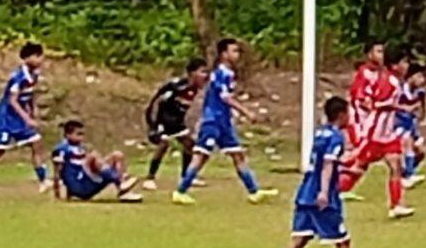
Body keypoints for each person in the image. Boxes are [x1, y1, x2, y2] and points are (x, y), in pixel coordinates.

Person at [271, 96, 384, 248]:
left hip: (305, 193)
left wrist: (344, 166)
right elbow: (327, 165)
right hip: (321, 198)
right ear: (341, 115)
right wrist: (324, 191)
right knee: (342, 241)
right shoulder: (336, 137)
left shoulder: (320, 133)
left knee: (300, 239)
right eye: (348, 113)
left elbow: (325, 162)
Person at [172, 38, 277, 205]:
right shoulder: (221, 73)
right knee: (200, 157)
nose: (237, 55)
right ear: (224, 54)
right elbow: (225, 97)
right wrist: (246, 112)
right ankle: (180, 191)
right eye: (233, 51)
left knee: (238, 155)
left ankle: (254, 192)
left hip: (224, 122)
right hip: (212, 121)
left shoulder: (228, 73)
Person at [340, 46, 412, 219]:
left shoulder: (392, 80)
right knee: (358, 166)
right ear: (395, 65)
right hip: (375, 132)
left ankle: (396, 206)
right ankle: (329, 190)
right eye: (404, 62)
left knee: (395, 166)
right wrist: (400, 107)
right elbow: (377, 103)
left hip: (387, 134)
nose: (407, 66)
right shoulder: (390, 82)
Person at [0, 42, 48, 195]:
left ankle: (43, 180)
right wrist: (26, 118)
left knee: (36, 143)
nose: (40, 60)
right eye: (37, 56)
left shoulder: (34, 75)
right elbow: (12, 100)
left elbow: (30, 96)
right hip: (6, 117)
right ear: (27, 58)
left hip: (19, 117)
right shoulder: (19, 76)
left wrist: (32, 112)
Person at [143, 57, 205, 186]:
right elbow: (156, 102)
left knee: (189, 144)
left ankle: (186, 177)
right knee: (163, 145)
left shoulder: (194, 89)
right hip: (163, 121)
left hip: (176, 122)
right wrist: (152, 124)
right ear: (192, 73)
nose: (205, 76)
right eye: (202, 72)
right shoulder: (177, 86)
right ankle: (150, 178)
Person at [51, 120, 142, 202]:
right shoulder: (62, 149)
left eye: (82, 134)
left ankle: (123, 191)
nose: (81, 137)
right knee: (93, 156)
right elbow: (58, 171)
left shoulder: (81, 147)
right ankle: (120, 180)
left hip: (89, 180)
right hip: (80, 185)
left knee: (117, 155)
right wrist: (57, 192)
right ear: (68, 135)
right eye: (78, 134)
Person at [396, 61, 426, 187]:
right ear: (411, 76)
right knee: (408, 145)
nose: (422, 79)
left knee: (420, 152)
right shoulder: (400, 90)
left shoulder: (420, 92)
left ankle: (405, 173)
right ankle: (409, 175)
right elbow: (392, 105)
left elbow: (424, 103)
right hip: (399, 122)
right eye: (419, 76)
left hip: (411, 123)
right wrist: (404, 108)